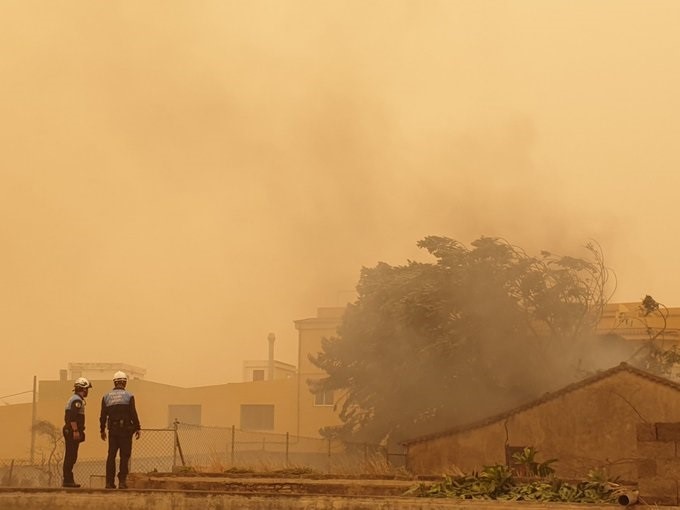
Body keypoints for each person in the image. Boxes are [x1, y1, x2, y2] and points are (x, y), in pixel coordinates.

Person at [99, 371, 141, 489]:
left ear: (114, 382)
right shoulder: (129, 396)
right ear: (125, 382)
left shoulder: (106, 397)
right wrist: (137, 427)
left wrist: (102, 430)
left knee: (111, 456)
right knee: (124, 456)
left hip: (112, 431)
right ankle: (122, 482)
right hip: (126, 431)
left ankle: (109, 482)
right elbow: (133, 413)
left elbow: (103, 416)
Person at [62, 377, 92, 488]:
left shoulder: (73, 399)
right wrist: (75, 430)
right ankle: (68, 480)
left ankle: (68, 479)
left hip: (69, 430)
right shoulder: (77, 401)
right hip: (72, 431)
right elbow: (72, 417)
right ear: (83, 389)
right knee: (71, 456)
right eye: (87, 389)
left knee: (70, 455)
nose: (87, 391)